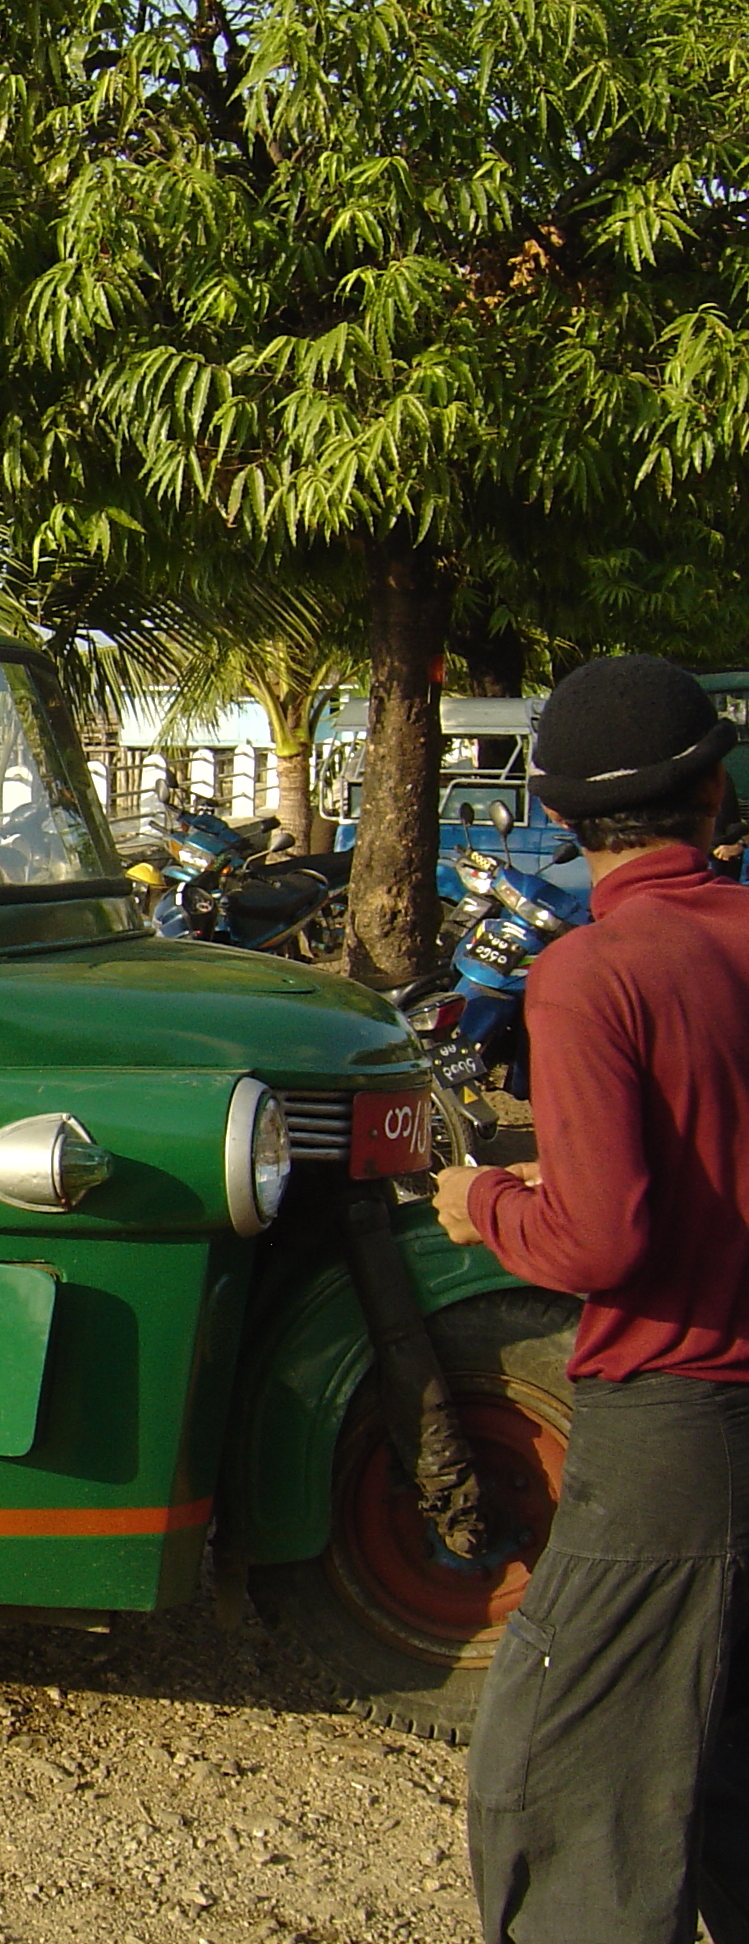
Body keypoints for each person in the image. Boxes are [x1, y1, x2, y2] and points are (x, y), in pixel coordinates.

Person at [431, 654, 749, 1943]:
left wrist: (487, 1204)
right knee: (721, 1757)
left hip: (676, 1422)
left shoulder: (592, 971)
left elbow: (602, 1239)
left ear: (557, 819)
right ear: (716, 795)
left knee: (572, 1775)